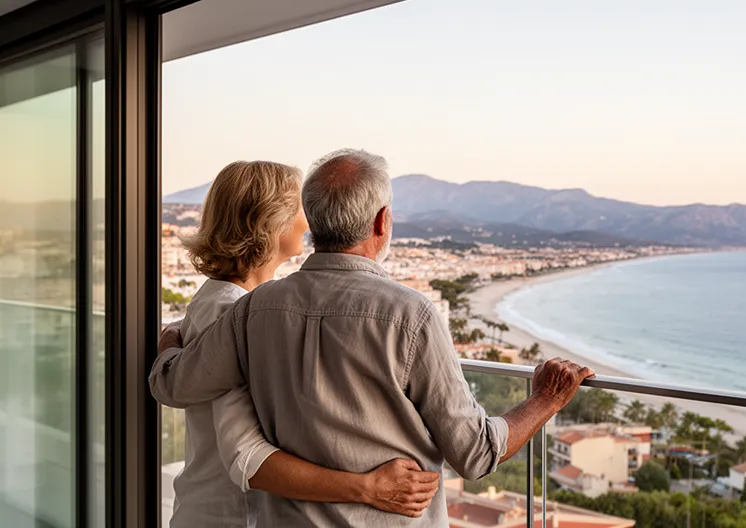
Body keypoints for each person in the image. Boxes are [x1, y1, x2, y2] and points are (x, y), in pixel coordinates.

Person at [150, 149, 594, 526]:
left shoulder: (254, 309)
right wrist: (546, 399)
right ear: (383, 222)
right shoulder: (412, 316)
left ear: (314, 222)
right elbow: (475, 453)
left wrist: (172, 338)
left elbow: (174, 384)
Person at [161, 160, 439, 528]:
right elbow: (247, 457)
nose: (309, 220)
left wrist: (169, 344)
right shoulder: (229, 309)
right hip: (232, 518)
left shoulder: (246, 304)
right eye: (301, 206)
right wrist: (368, 487)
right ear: (271, 221)